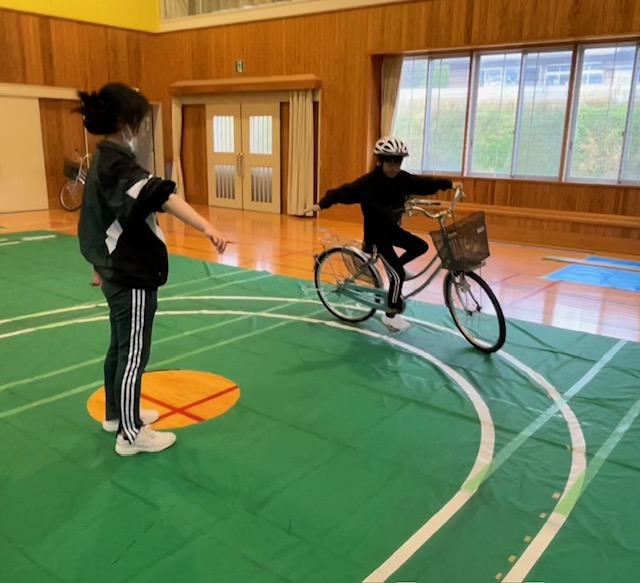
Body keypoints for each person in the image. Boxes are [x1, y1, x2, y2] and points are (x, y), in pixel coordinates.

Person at [76, 82, 232, 456]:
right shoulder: (118, 167)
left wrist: (97, 265)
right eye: (142, 122)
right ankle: (131, 434)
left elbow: (93, 220)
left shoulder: (103, 162)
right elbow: (164, 196)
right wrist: (207, 226)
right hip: (130, 275)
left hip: (114, 272)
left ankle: (117, 414)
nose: (144, 130)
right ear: (127, 124)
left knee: (120, 347)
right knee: (133, 355)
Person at [306, 136, 461, 332]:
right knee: (397, 275)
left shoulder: (401, 179)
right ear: (381, 161)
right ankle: (390, 315)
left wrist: (449, 184)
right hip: (377, 237)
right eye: (390, 162)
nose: (394, 167)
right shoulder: (368, 183)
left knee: (420, 246)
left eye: (398, 162)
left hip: (392, 231)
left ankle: (396, 269)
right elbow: (342, 192)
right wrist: (321, 204)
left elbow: (423, 184)